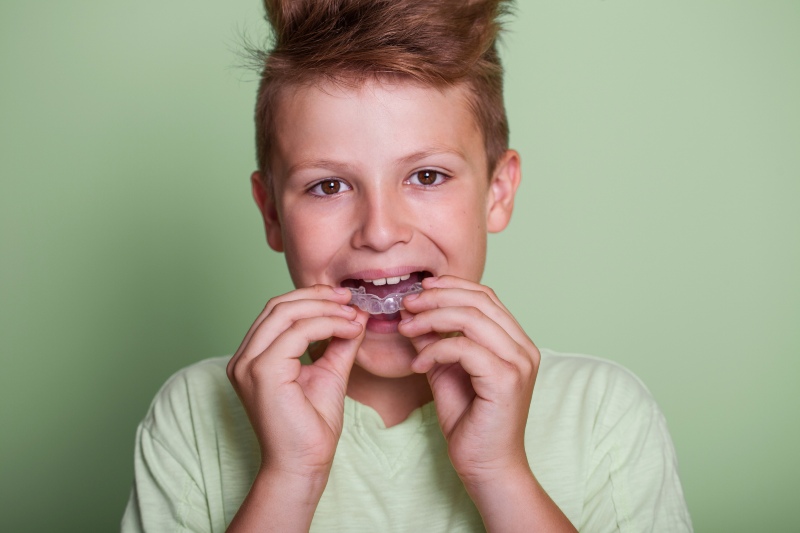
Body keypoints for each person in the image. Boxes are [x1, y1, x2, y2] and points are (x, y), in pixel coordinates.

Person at [122, 0, 692, 530]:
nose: (380, 231)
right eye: (329, 185)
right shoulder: (195, 415)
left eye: (426, 176)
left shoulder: (603, 414)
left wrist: (499, 474)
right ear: (271, 212)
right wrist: (290, 476)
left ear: (497, 192)